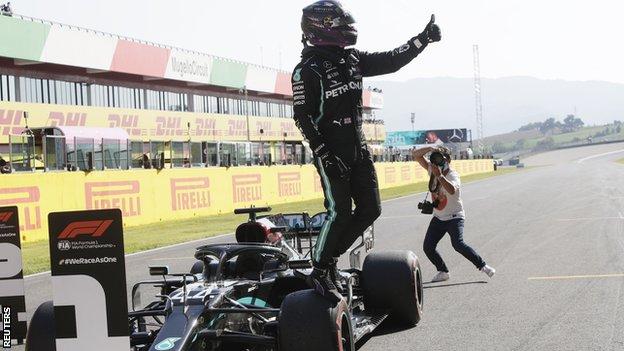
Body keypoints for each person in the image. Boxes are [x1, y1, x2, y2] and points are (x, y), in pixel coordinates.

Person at [293, 0, 441, 302]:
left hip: (358, 145)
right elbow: (302, 117)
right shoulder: (306, 69)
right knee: (339, 212)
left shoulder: (351, 59)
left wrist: (421, 40)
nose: (347, 29)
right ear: (320, 27)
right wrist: (323, 152)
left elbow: (390, 60)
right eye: (339, 24)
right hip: (331, 149)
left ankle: (327, 260)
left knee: (371, 208)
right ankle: (320, 270)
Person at [412, 146, 495, 282]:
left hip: (455, 216)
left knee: (458, 244)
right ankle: (443, 271)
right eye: (435, 158)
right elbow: (416, 155)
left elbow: (451, 190)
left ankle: (483, 266)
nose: (436, 162)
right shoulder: (432, 170)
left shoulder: (453, 175)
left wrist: (440, 176)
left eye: (439, 158)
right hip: (439, 217)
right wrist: (431, 148)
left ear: (447, 160)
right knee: (428, 247)